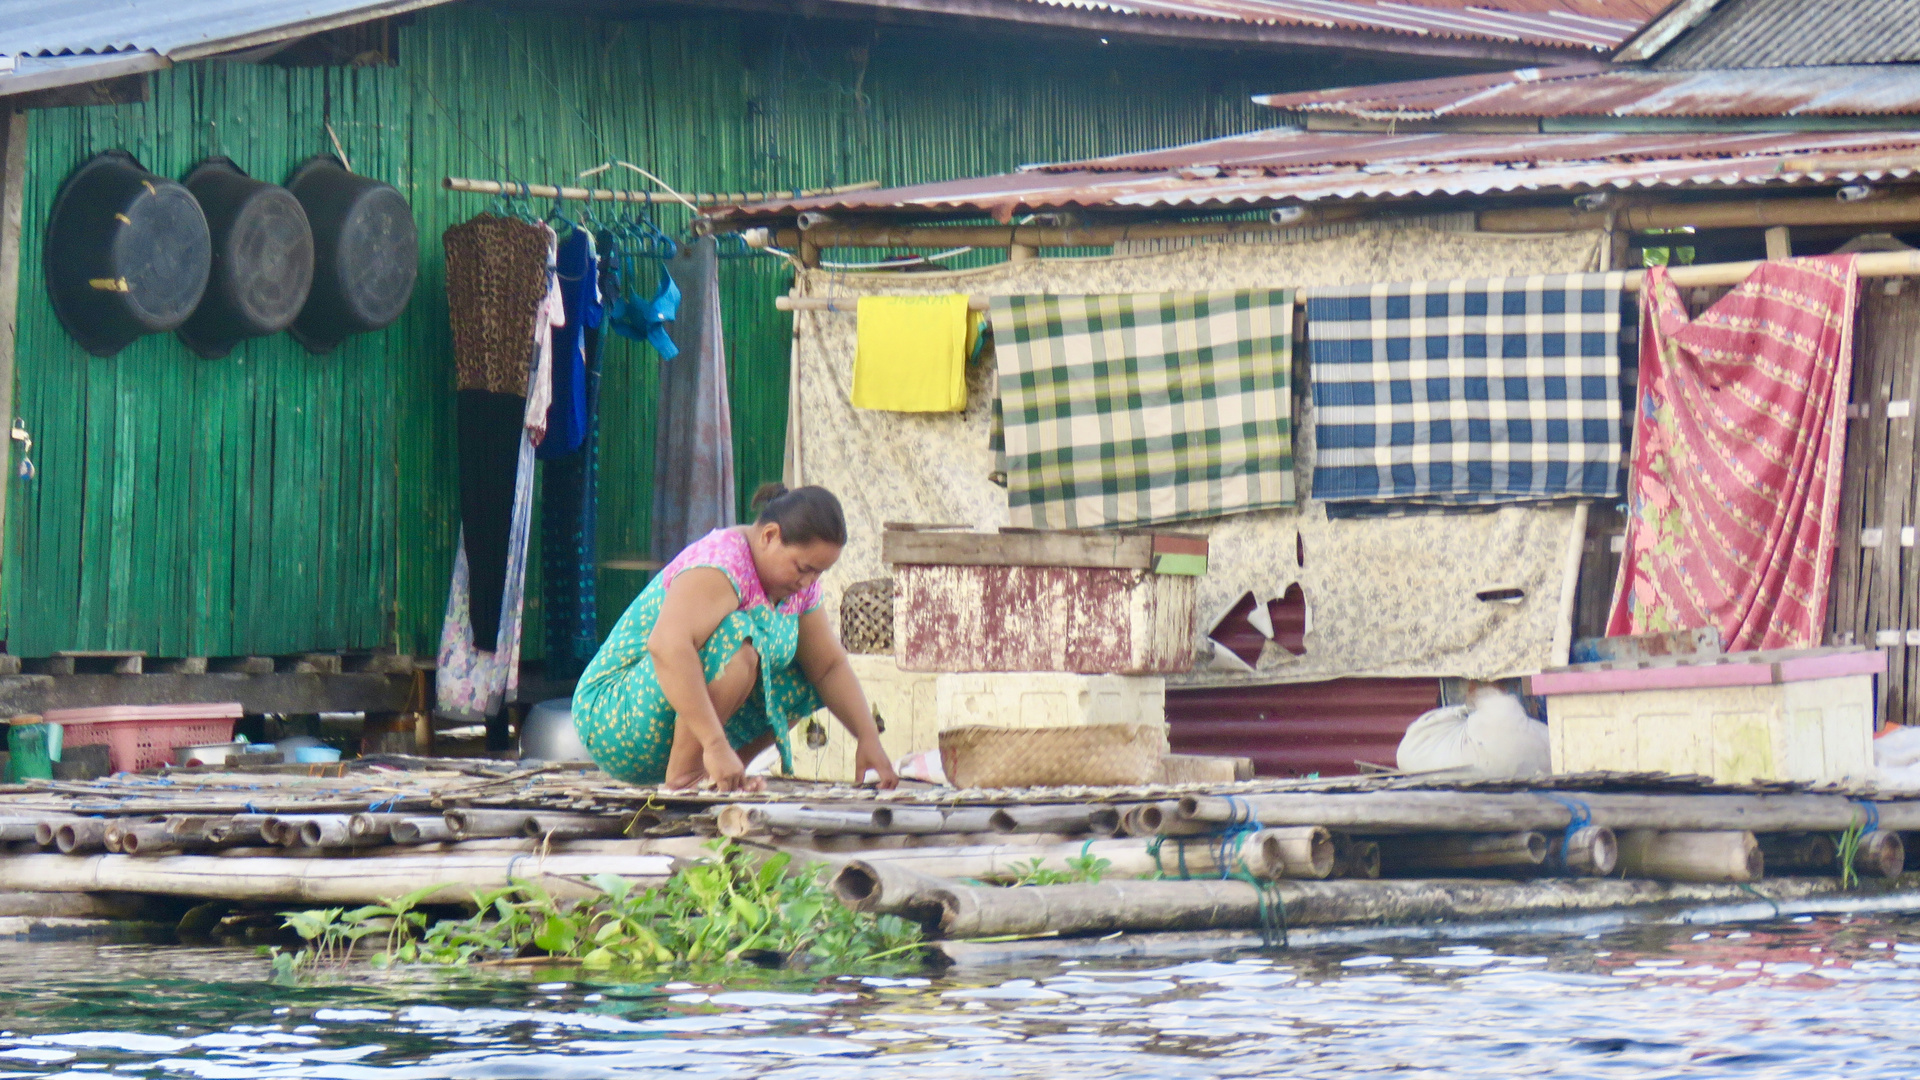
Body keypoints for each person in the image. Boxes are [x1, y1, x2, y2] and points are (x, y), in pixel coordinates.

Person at [572, 483, 897, 792]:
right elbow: (666, 647)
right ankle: (687, 777)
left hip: (675, 727)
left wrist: (867, 736)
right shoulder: (722, 561)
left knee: (808, 676)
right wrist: (714, 743)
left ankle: (724, 776)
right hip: (614, 719)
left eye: (818, 573)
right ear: (769, 536)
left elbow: (828, 666)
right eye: (802, 568)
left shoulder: (802, 588)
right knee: (738, 643)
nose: (808, 582)